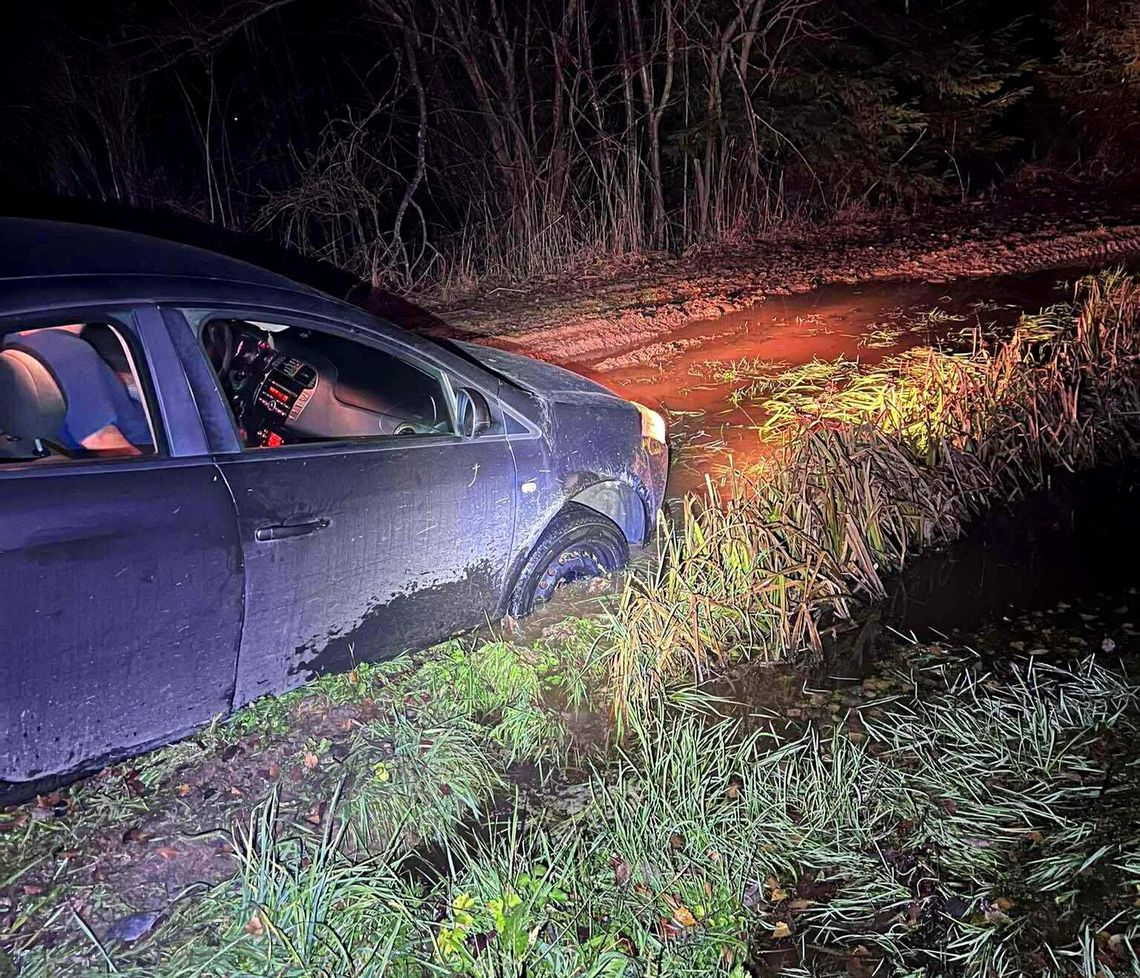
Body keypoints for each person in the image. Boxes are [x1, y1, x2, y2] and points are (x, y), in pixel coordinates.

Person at [3, 325, 151, 456]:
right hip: (147, 443)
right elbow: (101, 441)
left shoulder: (17, 338)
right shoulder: (72, 354)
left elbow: (72, 385)